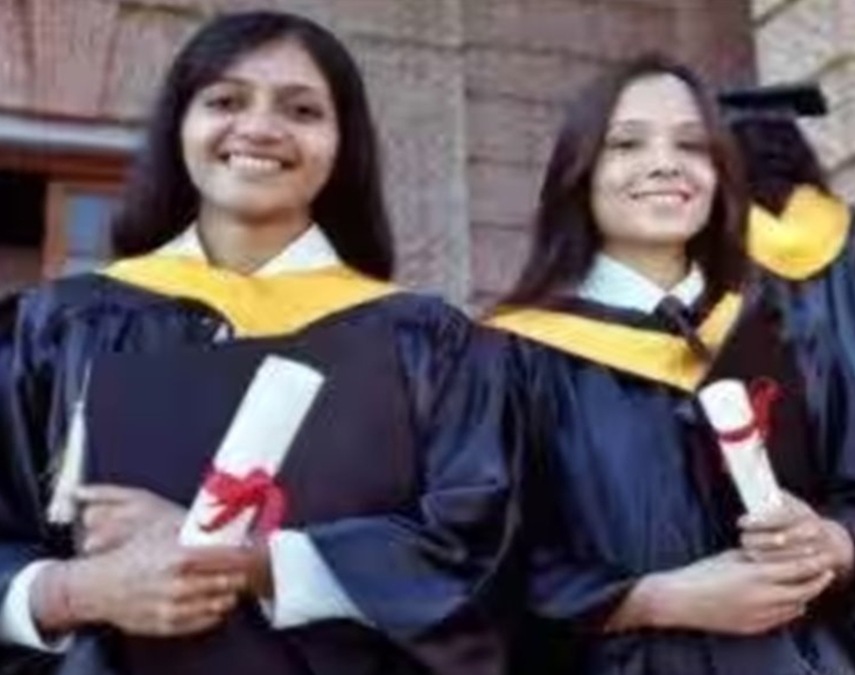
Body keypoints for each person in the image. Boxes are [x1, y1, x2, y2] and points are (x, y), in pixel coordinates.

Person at [0, 11, 514, 675]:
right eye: (225, 101)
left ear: (343, 143)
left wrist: (255, 561)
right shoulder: (61, 327)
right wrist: (71, 591)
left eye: (302, 110)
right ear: (179, 125)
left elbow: (484, 556)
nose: (260, 127)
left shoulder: (427, 346)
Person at [485, 53, 855, 675]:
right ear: (578, 171)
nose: (666, 162)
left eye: (692, 144)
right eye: (627, 143)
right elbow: (471, 560)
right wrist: (653, 600)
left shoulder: (791, 336)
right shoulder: (508, 358)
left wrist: (832, 543)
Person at [720, 83, 855, 428]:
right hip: (853, 419)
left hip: (761, 417)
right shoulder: (847, 225)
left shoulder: (721, 229)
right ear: (797, 149)